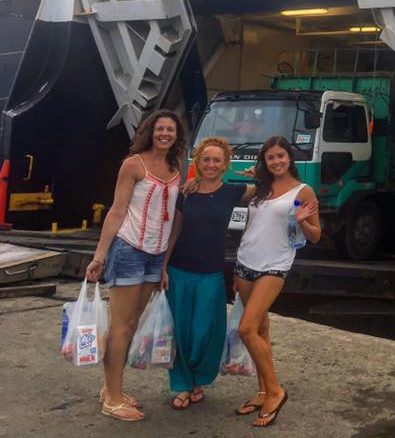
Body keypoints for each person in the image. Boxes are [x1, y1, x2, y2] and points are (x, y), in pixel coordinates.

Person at [85, 109, 186, 422]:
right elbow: (116, 211)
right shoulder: (133, 164)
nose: (165, 134)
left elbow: (173, 216)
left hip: (155, 255)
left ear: (177, 135)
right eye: (160, 129)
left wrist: (165, 264)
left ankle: (111, 388)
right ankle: (112, 398)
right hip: (129, 249)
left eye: (170, 129)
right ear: (150, 132)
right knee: (121, 326)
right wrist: (99, 256)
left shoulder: (177, 166)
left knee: (132, 325)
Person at [161, 137, 255, 410]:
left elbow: (270, 187)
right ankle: (183, 385)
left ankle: (200, 378)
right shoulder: (186, 192)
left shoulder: (233, 191)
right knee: (180, 332)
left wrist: (257, 171)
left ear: (225, 164)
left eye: (217, 160)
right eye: (206, 159)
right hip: (179, 270)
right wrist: (163, 267)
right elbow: (175, 231)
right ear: (198, 162)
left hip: (211, 273)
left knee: (205, 332)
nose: (211, 165)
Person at [233, 135, 321, 427]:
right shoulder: (262, 187)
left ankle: (275, 392)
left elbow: (316, 235)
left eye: (281, 156)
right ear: (265, 161)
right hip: (246, 261)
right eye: (271, 157)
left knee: (246, 329)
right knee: (260, 328)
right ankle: (261, 391)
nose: (276, 161)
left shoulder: (302, 191)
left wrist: (301, 218)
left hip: (274, 265)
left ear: (289, 158)